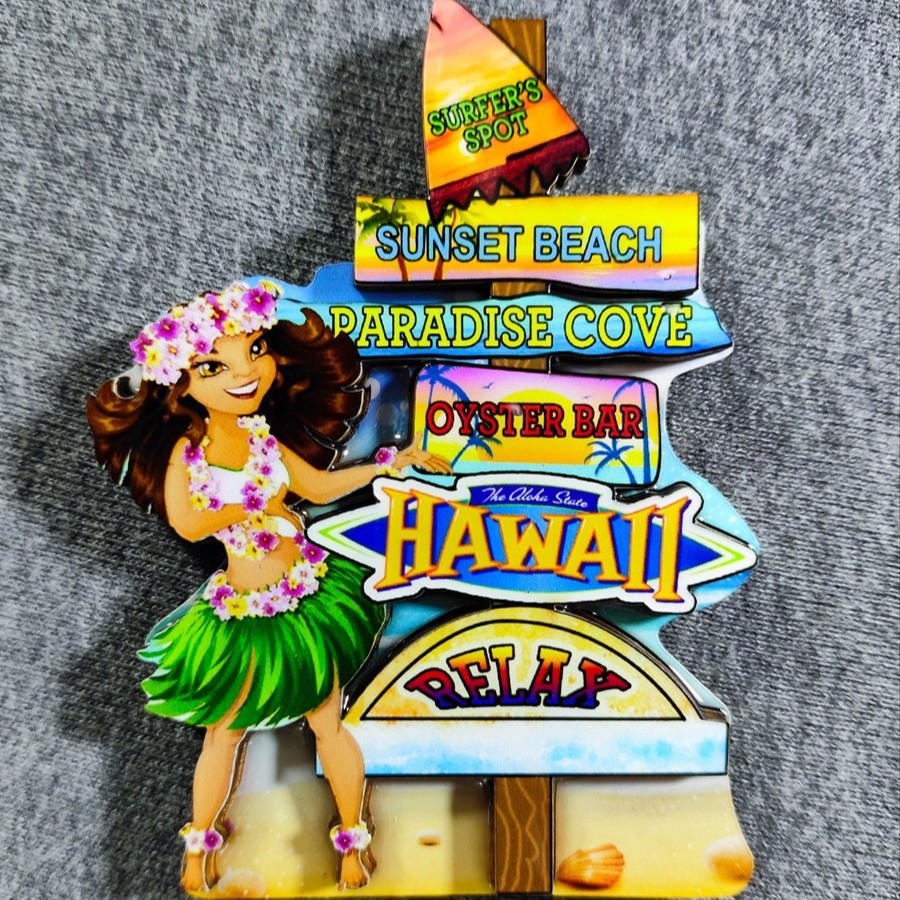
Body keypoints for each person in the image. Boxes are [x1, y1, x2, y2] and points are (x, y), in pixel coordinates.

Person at [87, 281, 451, 892]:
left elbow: (318, 487)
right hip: (243, 613)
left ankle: (353, 840)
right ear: (181, 385)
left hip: (306, 599)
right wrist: (254, 509)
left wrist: (390, 464)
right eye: (215, 366)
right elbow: (187, 522)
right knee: (224, 732)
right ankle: (199, 848)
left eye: (255, 351)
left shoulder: (264, 437)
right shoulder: (187, 454)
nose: (246, 373)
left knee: (328, 722)